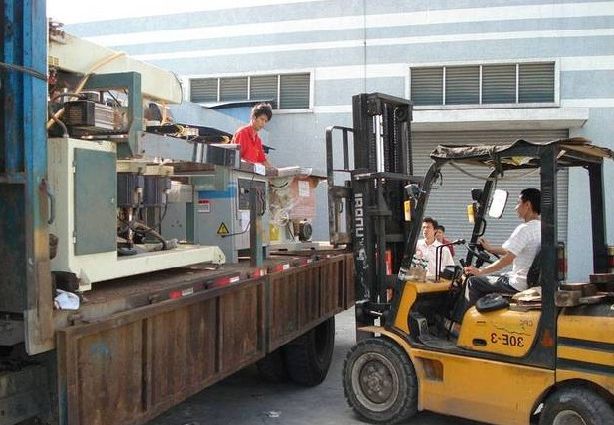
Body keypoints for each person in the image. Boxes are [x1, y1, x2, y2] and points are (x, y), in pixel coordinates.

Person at [450, 188, 541, 328]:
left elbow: (508, 259)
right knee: (492, 277)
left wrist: (481, 271)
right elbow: (511, 249)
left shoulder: (524, 229)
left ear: (527, 205)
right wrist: (491, 249)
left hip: (517, 283)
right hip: (528, 281)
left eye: (518, 203)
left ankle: (460, 326)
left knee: (473, 282)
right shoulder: (541, 228)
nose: (516, 207)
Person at [232, 103, 274, 168]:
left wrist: (275, 171)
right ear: (254, 117)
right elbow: (236, 159)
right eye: (262, 119)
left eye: (265, 121)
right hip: (239, 173)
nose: (263, 123)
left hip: (250, 173)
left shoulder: (258, 140)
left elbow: (263, 161)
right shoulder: (242, 133)